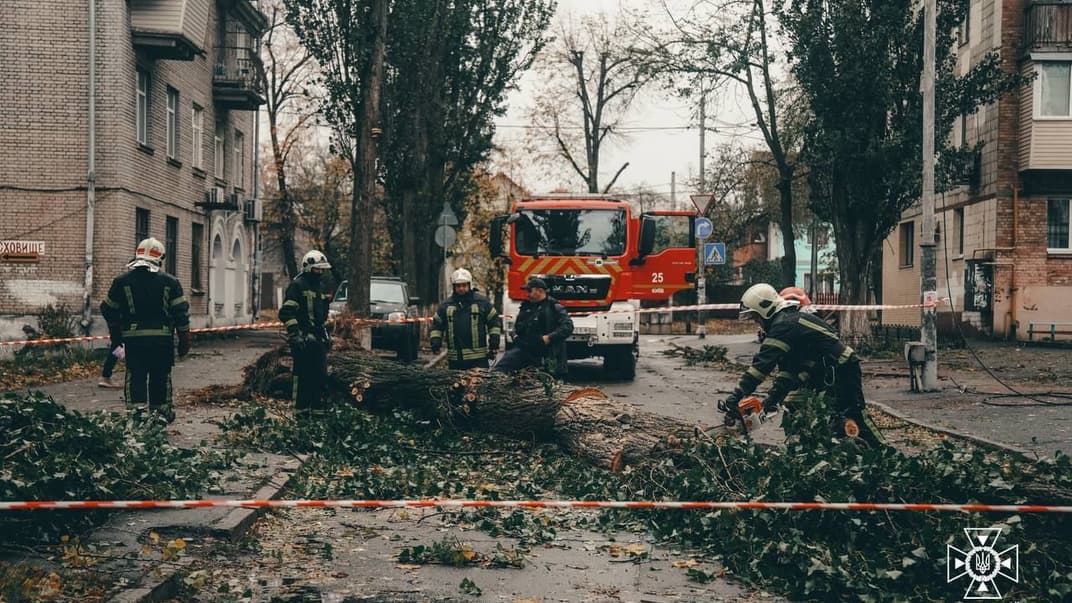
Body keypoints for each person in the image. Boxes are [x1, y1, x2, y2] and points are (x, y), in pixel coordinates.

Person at [719, 283, 884, 447]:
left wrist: (736, 396)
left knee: (853, 413)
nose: (758, 323)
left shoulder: (784, 326)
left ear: (765, 309)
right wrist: (771, 400)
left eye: (756, 317)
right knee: (812, 410)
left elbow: (761, 367)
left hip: (841, 368)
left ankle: (883, 450)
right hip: (823, 371)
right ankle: (831, 450)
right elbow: (788, 372)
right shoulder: (787, 323)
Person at [100, 238, 191, 422]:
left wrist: (116, 337)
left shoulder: (121, 281)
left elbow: (108, 309)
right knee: (160, 377)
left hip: (134, 342)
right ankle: (160, 415)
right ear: (160, 258)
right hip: (162, 342)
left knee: (135, 378)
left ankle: (137, 416)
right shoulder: (170, 282)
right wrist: (184, 342)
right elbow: (181, 315)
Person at [279, 249, 334, 421]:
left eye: (322, 269)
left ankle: (318, 419)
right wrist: (295, 335)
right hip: (302, 341)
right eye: (318, 269)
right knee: (303, 380)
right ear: (308, 267)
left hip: (317, 340)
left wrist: (325, 334)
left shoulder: (319, 287)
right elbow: (286, 313)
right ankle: (300, 417)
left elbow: (321, 317)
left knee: (321, 378)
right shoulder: (297, 285)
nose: (321, 272)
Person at [492, 277, 573, 378]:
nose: (527, 294)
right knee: (499, 370)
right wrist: (514, 335)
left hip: (546, 353)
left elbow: (567, 327)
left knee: (547, 383)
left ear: (540, 291)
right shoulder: (526, 307)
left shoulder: (554, 307)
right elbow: (516, 326)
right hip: (524, 349)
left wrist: (549, 338)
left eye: (530, 291)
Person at [429, 268, 502, 370]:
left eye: (464, 285)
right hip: (455, 360)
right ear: (454, 287)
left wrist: (494, 343)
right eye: (458, 286)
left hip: (478, 359)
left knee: (478, 385)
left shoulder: (482, 303)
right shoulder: (446, 305)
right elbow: (437, 325)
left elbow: (494, 322)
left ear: (470, 285)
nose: (461, 288)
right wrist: (435, 342)